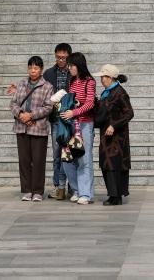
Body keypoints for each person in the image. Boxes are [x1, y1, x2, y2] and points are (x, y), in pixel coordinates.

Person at [9, 55, 54, 202]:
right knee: (24, 160)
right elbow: (13, 103)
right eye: (30, 67)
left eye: (36, 68)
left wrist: (31, 116)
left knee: (38, 160)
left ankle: (38, 191)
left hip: (38, 128)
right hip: (21, 127)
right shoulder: (21, 84)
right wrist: (21, 115)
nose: (32, 70)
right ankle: (27, 190)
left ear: (41, 70)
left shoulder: (47, 86)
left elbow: (48, 107)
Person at [59, 51, 97, 204]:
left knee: (84, 159)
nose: (70, 68)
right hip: (71, 125)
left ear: (79, 65)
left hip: (85, 124)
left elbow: (90, 103)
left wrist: (74, 112)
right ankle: (77, 189)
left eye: (72, 65)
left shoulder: (90, 82)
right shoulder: (72, 82)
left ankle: (86, 194)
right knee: (68, 158)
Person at [94, 63, 134, 205]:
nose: (101, 79)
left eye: (103, 77)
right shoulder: (107, 93)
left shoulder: (120, 92)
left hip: (117, 137)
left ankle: (116, 196)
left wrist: (114, 125)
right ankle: (113, 194)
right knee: (106, 165)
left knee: (114, 165)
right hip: (106, 136)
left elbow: (129, 113)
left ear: (110, 77)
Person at [43, 42, 72, 199]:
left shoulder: (73, 72)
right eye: (58, 57)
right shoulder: (48, 73)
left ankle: (72, 187)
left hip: (71, 119)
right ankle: (57, 187)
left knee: (71, 153)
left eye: (64, 57)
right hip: (55, 119)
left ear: (69, 57)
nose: (61, 60)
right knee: (56, 154)